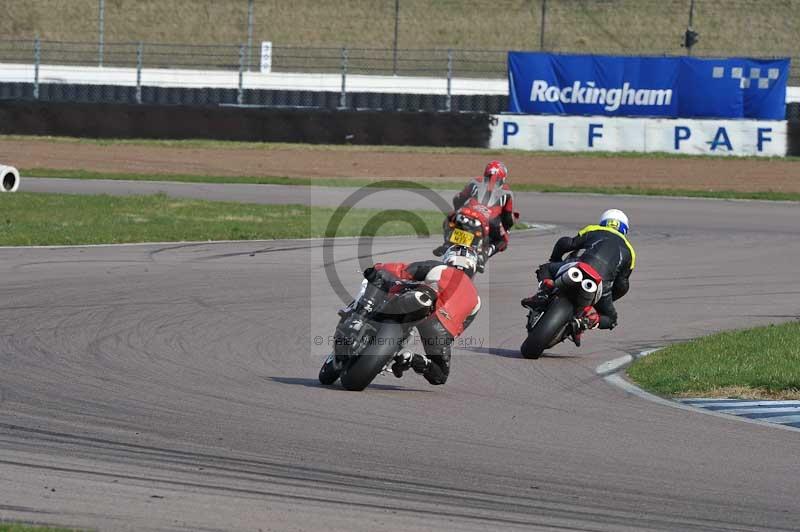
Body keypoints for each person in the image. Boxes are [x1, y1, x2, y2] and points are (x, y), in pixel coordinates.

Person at [363, 246, 481, 385]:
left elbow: (403, 270)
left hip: (421, 301)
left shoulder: (440, 267)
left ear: (449, 259)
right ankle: (413, 359)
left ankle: (364, 312)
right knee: (440, 375)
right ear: (473, 268)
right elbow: (458, 330)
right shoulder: (476, 301)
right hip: (442, 328)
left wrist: (378, 268)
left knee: (384, 278)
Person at [521, 209, 635, 344]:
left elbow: (566, 243)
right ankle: (587, 321)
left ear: (603, 222)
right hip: (600, 285)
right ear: (625, 229)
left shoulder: (593, 229)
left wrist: (555, 259)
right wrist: (608, 298)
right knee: (611, 319)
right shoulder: (630, 251)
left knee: (546, 268)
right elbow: (622, 285)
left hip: (578, 267)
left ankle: (543, 293)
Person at [434, 160, 515, 267]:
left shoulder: (475, 182)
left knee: (450, 217)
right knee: (503, 240)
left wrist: (459, 210)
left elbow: (458, 199)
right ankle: (484, 254)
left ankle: (447, 244)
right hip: (489, 221)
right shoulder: (507, 192)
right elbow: (508, 218)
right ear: (503, 177)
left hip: (466, 214)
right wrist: (506, 227)